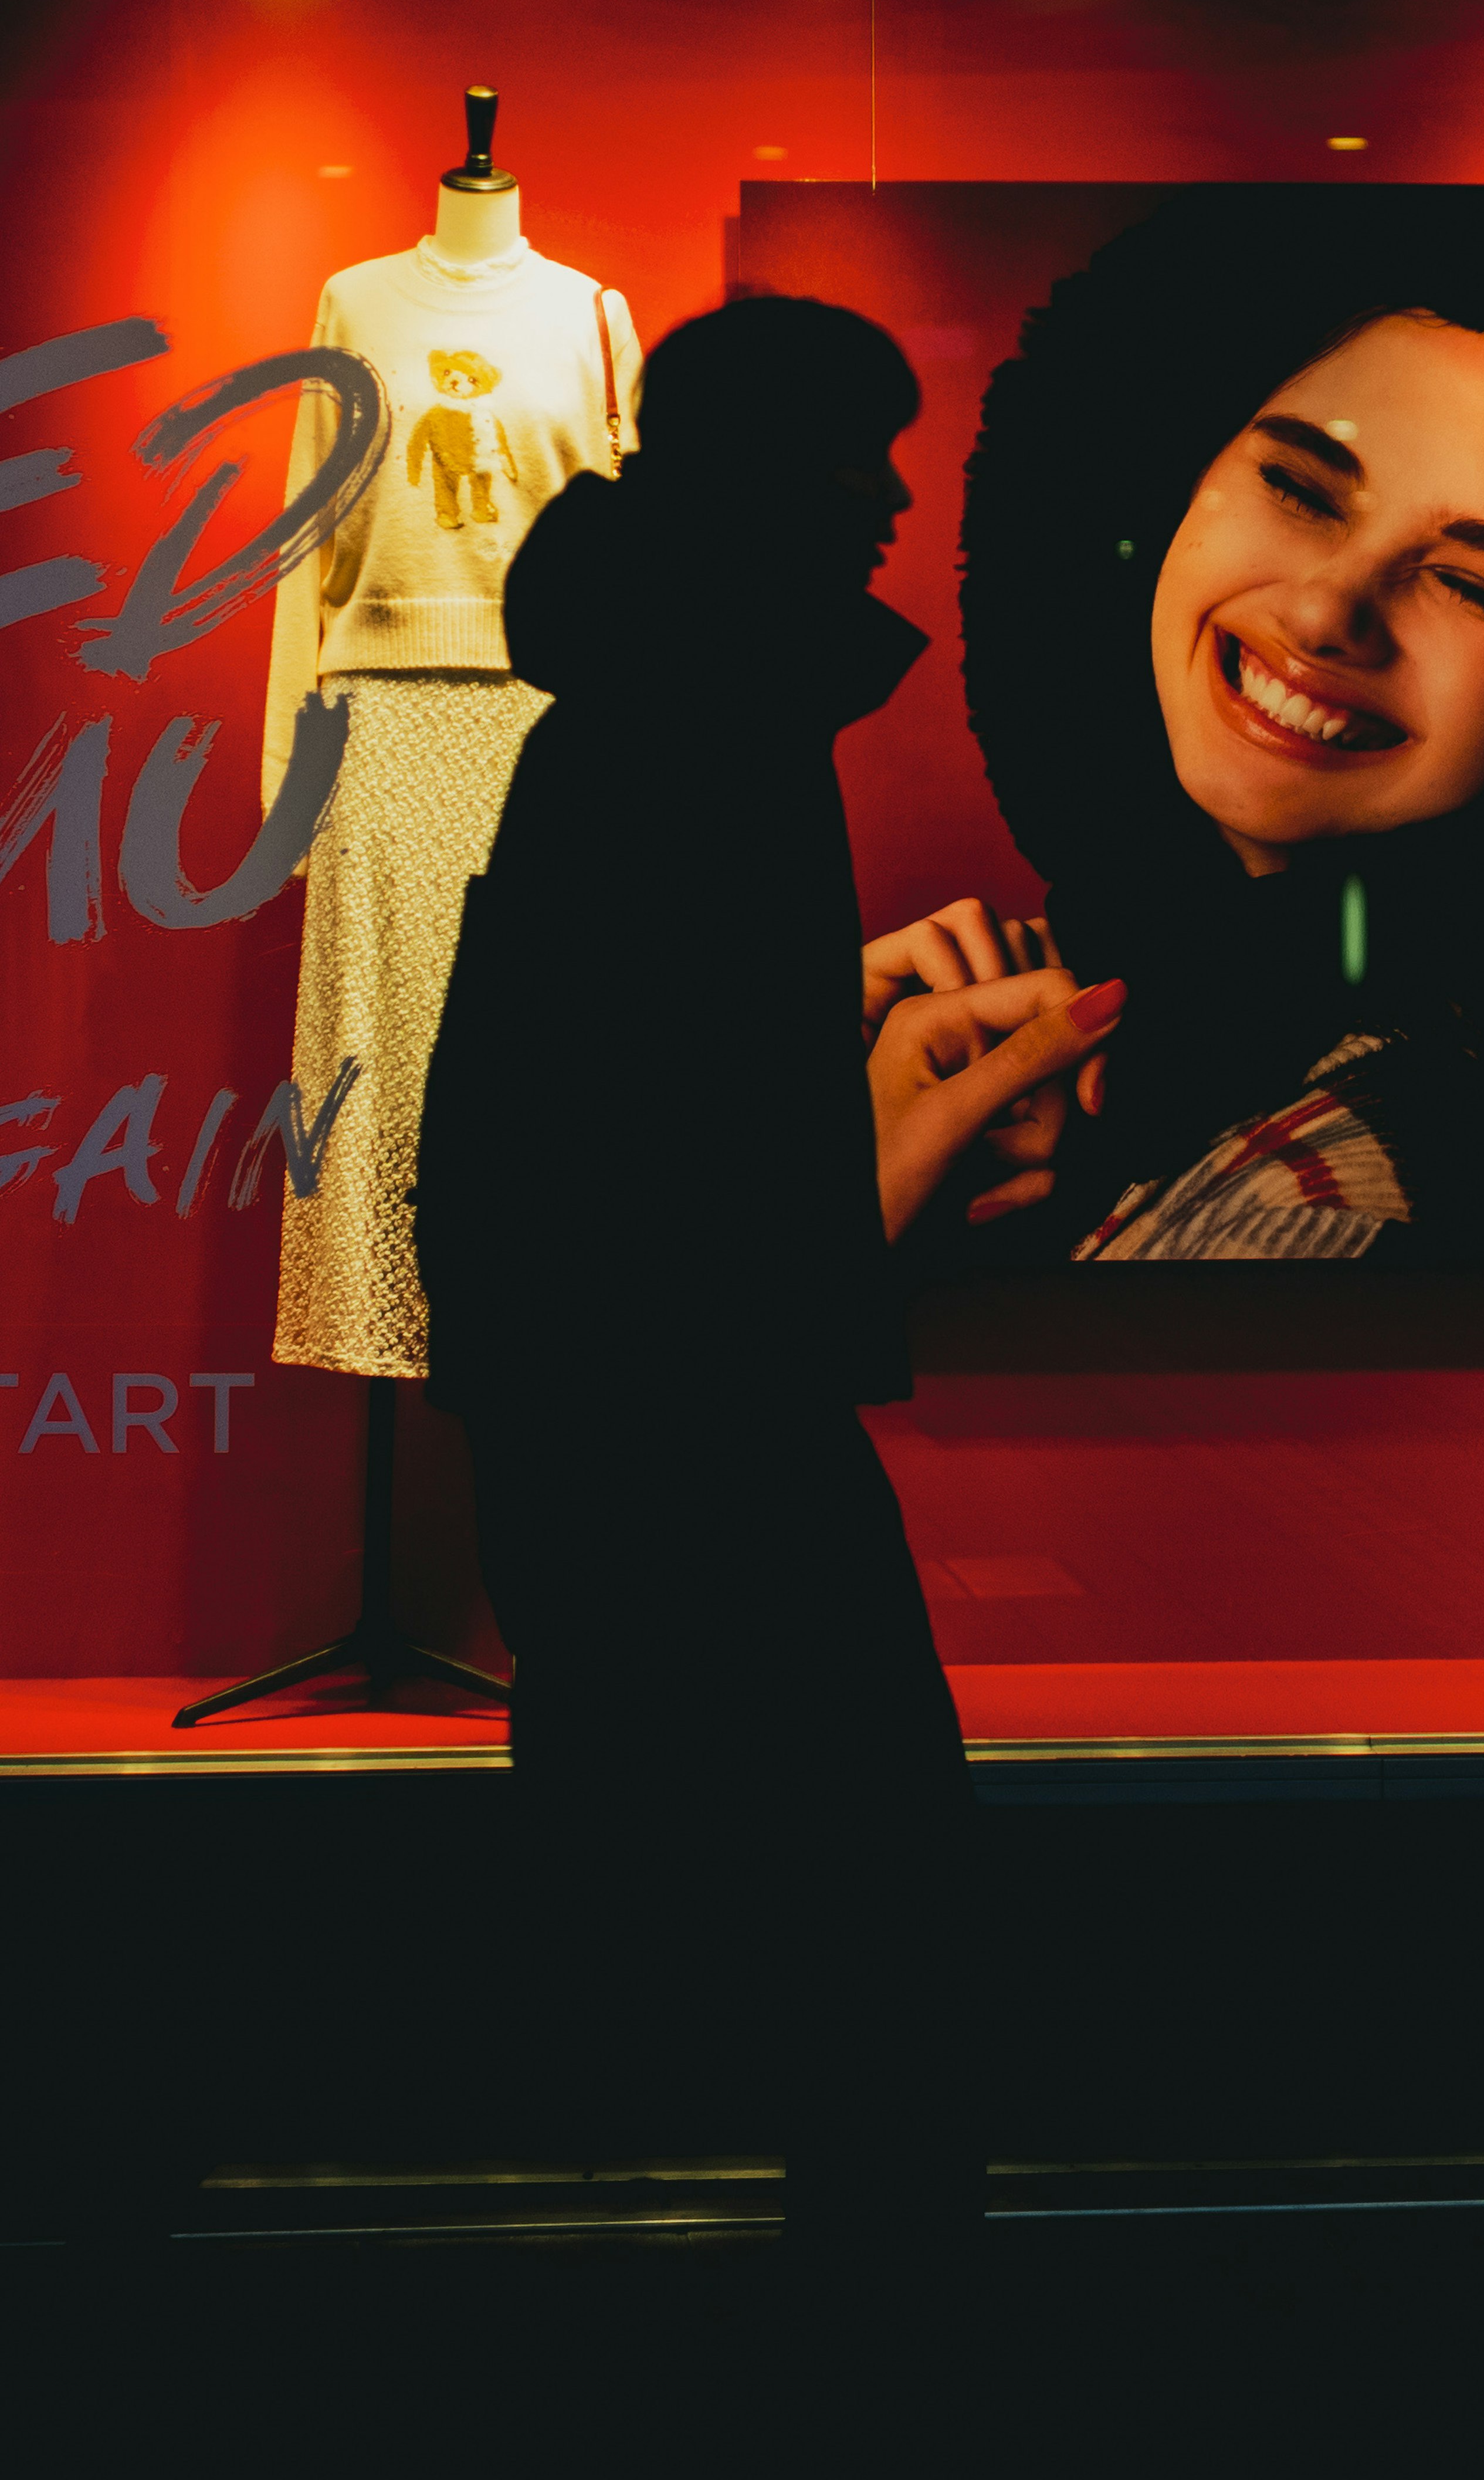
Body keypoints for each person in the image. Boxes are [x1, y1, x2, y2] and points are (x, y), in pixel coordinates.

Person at [413, 292, 1123, 2298]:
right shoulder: (707, 729)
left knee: (764, 1878)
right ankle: (867, 2314)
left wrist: (843, 1016)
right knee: (876, 1888)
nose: (897, 499)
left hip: (622, 1403)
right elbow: (676, 1154)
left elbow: (597, 1085)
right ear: (784, 484)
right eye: (862, 458)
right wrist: (893, 1110)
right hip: (699, 1417)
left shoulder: (637, 707)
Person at [879, 184, 1484, 1266]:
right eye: (1302, 490)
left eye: (1473, 585)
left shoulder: (1330, 1211)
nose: (1327, 614)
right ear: (1169, 482)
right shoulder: (1064, 1035)